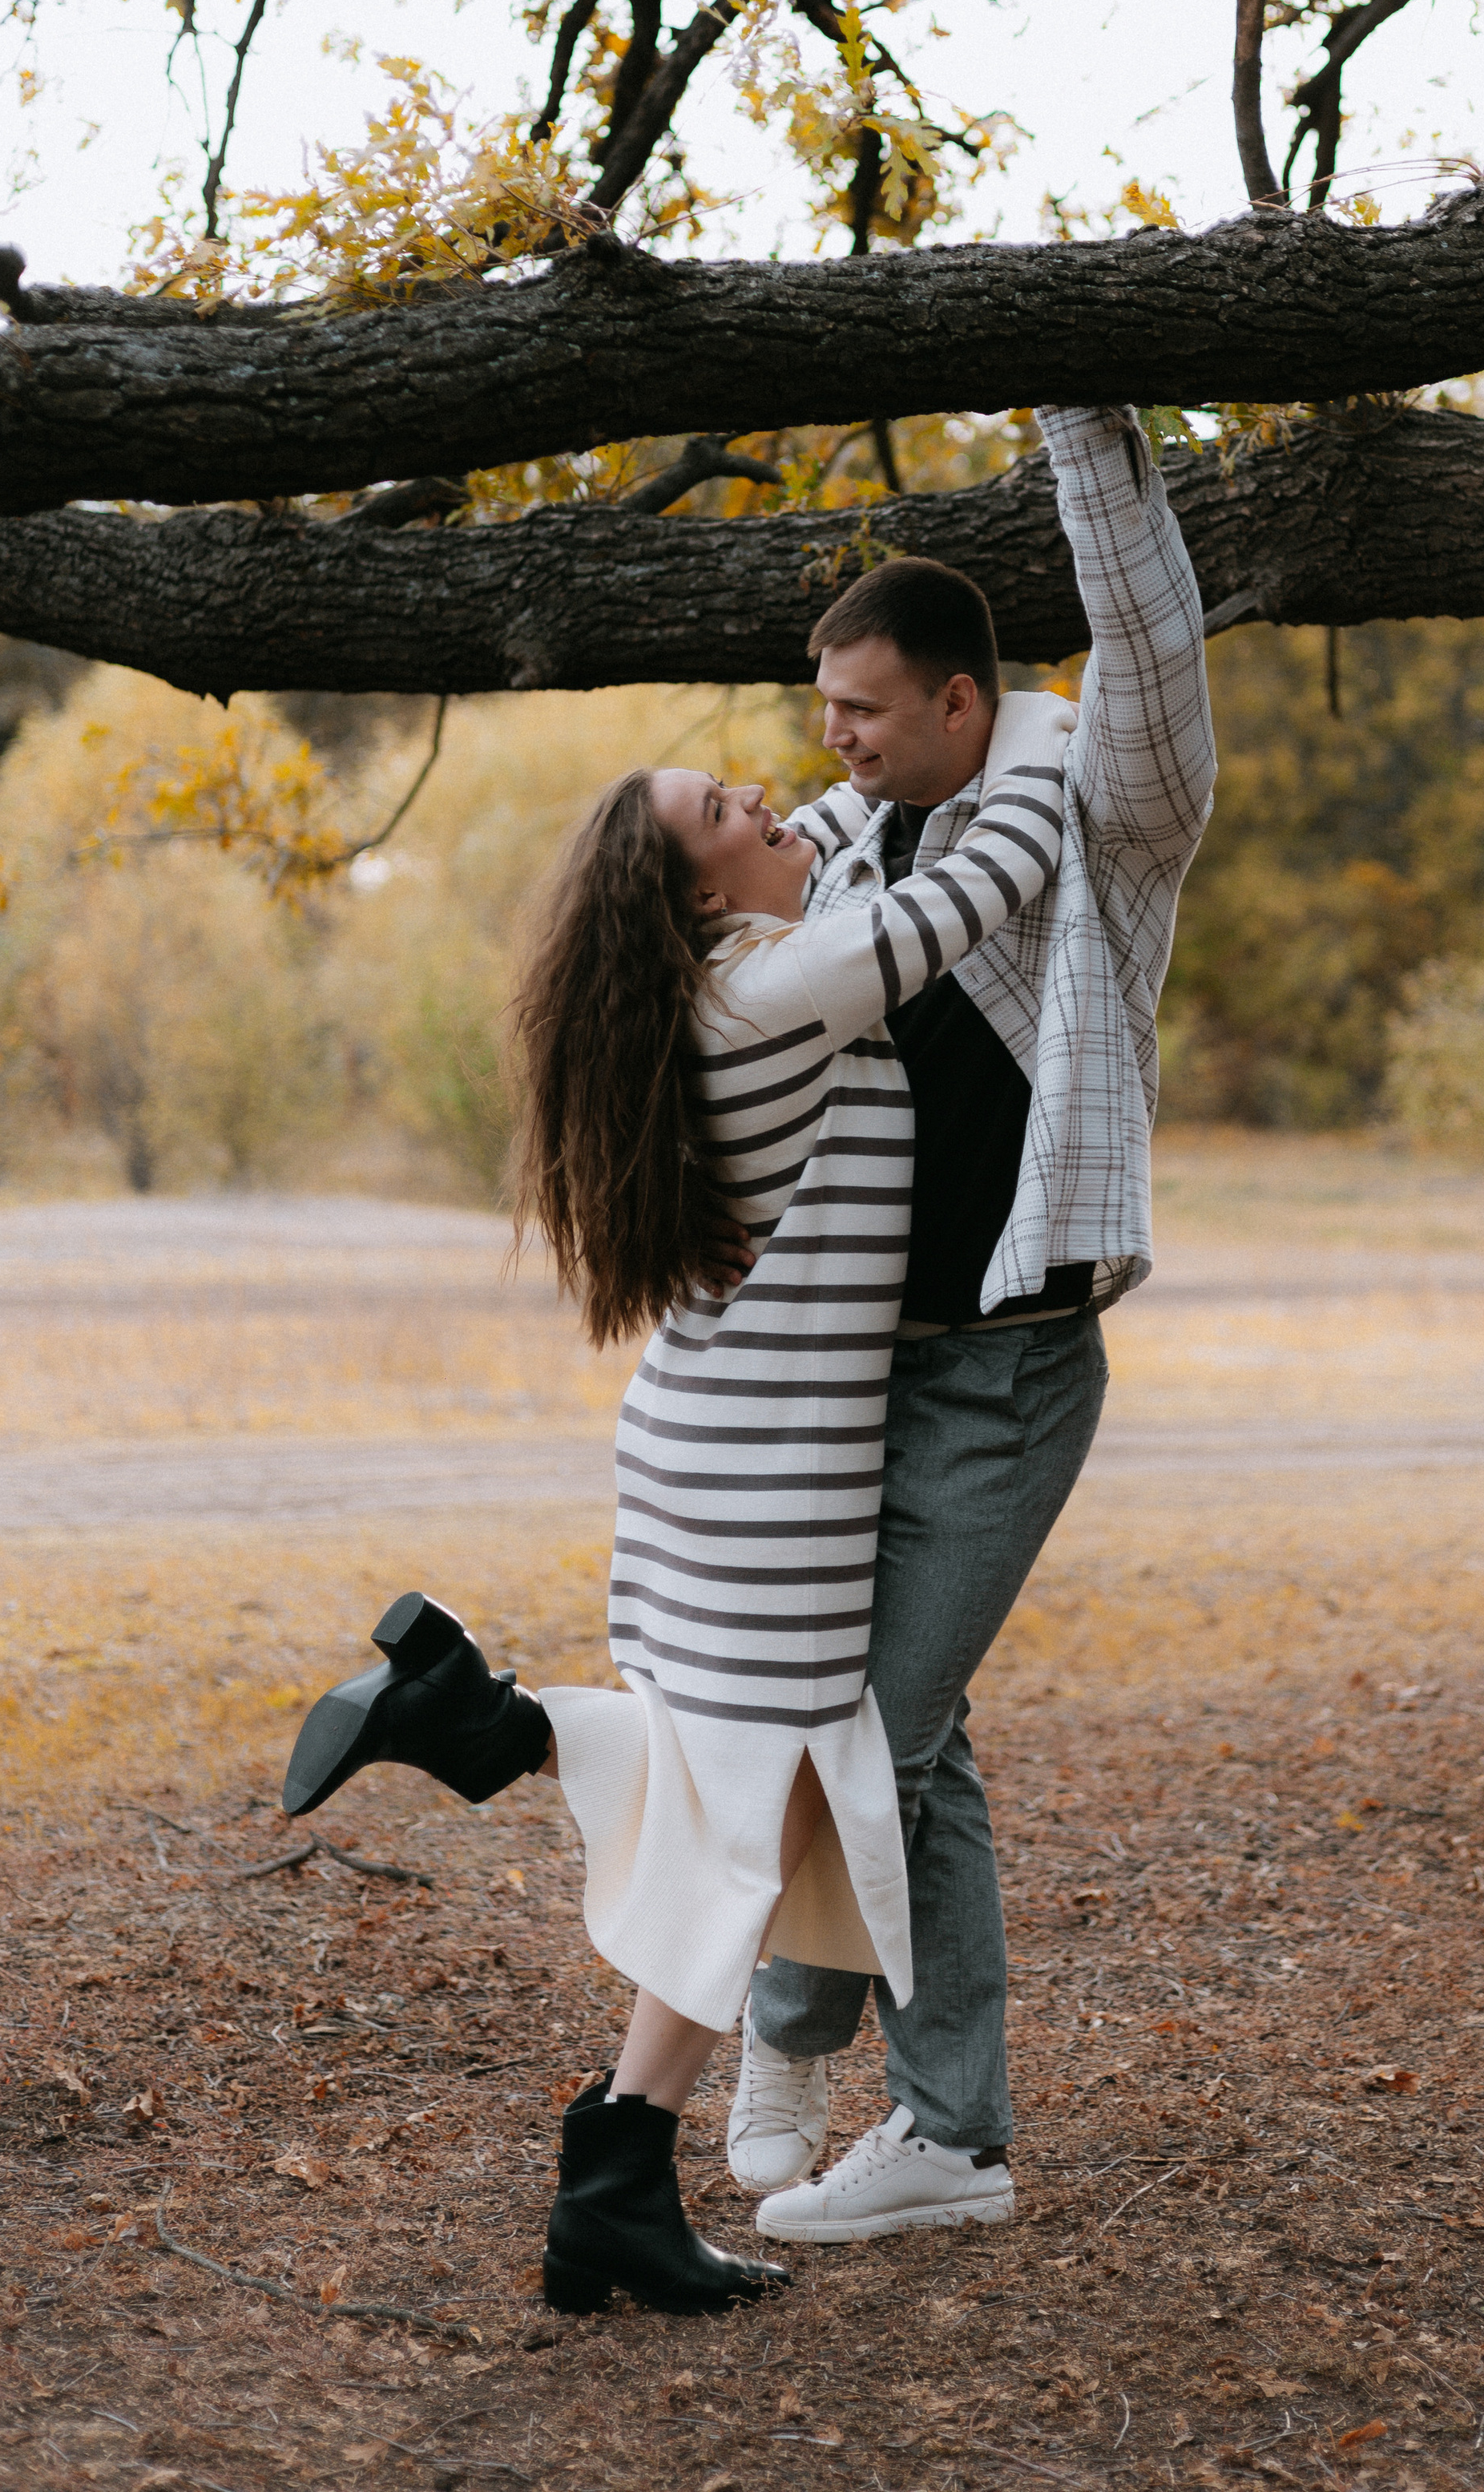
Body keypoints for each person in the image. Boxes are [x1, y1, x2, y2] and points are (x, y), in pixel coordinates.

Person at [276, 685, 1075, 2316]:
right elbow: (981, 885)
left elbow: (839, 840)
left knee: (749, 1821)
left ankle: (493, 1741)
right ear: (703, 894)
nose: (777, 796)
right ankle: (612, 2153)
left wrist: (841, 796)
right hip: (766, 1489)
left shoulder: (727, 983)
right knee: (754, 1835)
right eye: (730, 807)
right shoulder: (777, 992)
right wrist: (1044, 735)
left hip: (718, 1463)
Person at [725, 398, 1214, 2246]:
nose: (828, 740)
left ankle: (905, 2108)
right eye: (823, 706)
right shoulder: (852, 853)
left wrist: (1079, 415)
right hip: (869, 1372)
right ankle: (907, 2101)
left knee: (876, 1727)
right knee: (894, 1735)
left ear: (958, 703)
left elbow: (1150, 666)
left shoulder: (1098, 823)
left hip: (1009, 1364)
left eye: (860, 707)